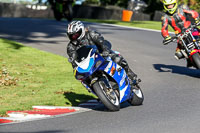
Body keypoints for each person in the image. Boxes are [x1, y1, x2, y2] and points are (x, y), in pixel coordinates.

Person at [66, 21, 140, 88]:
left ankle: (131, 76)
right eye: (71, 36)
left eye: (75, 35)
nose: (73, 37)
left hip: (102, 56)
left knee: (117, 59)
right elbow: (73, 60)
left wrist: (105, 50)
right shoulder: (71, 46)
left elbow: (103, 42)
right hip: (88, 65)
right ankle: (99, 92)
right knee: (84, 80)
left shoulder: (91, 34)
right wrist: (74, 65)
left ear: (81, 30)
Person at [161, 0, 200, 67]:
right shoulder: (165, 17)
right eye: (168, 5)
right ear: (165, 6)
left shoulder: (182, 8)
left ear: (175, 4)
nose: (170, 7)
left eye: (171, 5)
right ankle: (190, 60)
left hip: (191, 28)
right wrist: (166, 37)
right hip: (180, 35)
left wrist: (196, 19)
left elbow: (192, 12)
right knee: (178, 53)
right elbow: (164, 28)